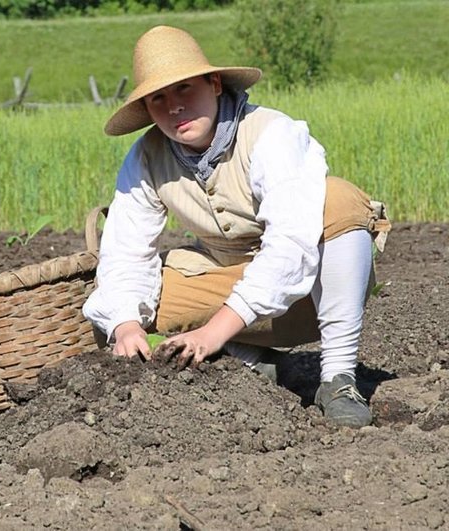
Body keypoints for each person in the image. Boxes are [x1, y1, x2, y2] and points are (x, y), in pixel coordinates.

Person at [82, 25, 390, 428]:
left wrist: (212, 331)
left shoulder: (270, 132)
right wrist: (124, 327)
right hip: (227, 285)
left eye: (184, 89)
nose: (174, 107)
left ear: (213, 84)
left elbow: (290, 246)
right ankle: (250, 361)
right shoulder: (145, 158)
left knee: (337, 200)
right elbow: (124, 251)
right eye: (159, 98)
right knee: (130, 296)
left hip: (309, 295)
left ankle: (337, 377)